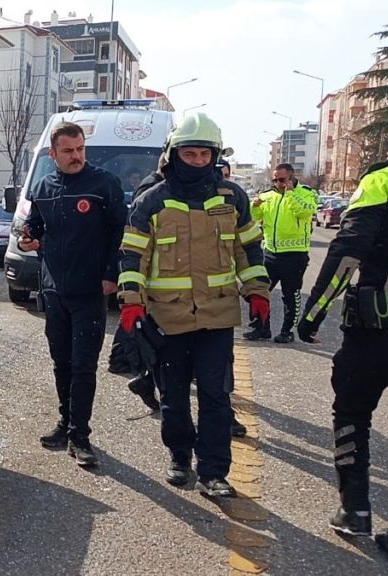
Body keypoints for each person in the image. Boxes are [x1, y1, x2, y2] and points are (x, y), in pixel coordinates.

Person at [297, 96, 388, 572]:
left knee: (352, 413)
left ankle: (355, 512)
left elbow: (346, 253)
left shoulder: (383, 181)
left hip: (378, 329)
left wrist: (311, 314)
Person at [118, 112, 270, 497]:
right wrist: (132, 302)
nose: (198, 161)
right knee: (174, 396)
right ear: (173, 154)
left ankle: (214, 472)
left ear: (215, 156)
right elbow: (132, 256)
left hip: (217, 316)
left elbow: (248, 248)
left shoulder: (232, 198)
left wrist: (258, 291)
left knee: (216, 396)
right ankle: (180, 456)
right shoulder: (151, 201)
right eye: (191, 153)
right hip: (168, 318)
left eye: (205, 154)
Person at [17, 121, 126, 468]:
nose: (76, 156)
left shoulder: (103, 184)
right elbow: (34, 225)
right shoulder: (44, 186)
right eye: (68, 151)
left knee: (83, 365)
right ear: (54, 154)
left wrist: (112, 275)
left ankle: (80, 436)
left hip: (89, 291)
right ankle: (64, 424)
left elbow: (118, 233)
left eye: (80, 149)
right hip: (53, 289)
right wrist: (26, 238)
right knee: (61, 363)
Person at [244, 163, 318, 343]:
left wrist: (290, 193)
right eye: (275, 180)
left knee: (290, 294)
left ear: (291, 178)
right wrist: (254, 206)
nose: (277, 183)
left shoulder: (307, 193)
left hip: (294, 254)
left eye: (282, 180)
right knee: (260, 291)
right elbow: (254, 219)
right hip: (270, 253)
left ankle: (288, 331)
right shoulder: (268, 196)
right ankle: (261, 328)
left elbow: (305, 211)